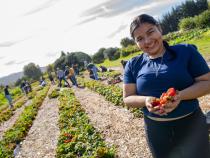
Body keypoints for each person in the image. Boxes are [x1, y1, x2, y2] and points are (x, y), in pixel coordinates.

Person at [123, 14, 210, 158]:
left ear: (159, 28)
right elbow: (128, 98)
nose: (147, 41)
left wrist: (180, 95)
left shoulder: (186, 51)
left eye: (150, 32)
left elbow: (207, 83)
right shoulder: (133, 64)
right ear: (135, 43)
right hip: (156, 130)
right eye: (139, 39)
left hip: (192, 125)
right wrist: (145, 101)